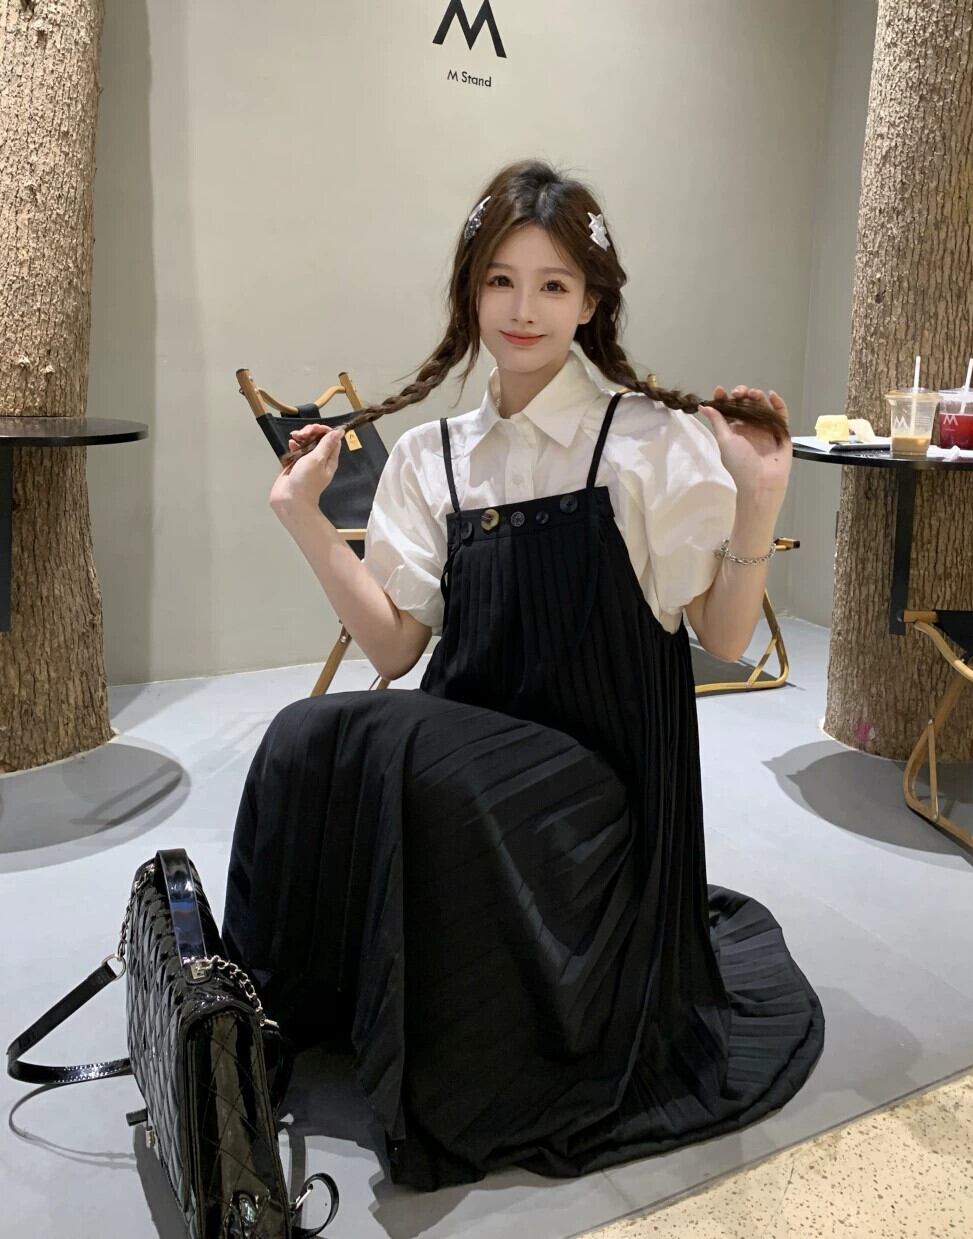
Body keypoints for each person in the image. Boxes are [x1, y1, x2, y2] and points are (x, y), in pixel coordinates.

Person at [221, 159, 823, 1191]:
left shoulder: (647, 439)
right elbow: (396, 650)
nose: (523, 309)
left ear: (591, 302)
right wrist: (302, 518)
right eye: (499, 280)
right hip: (472, 765)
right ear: (470, 293)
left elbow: (725, 636)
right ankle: (256, 1020)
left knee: (413, 756)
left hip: (600, 788)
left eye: (552, 284)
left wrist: (758, 498)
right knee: (301, 733)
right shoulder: (435, 456)